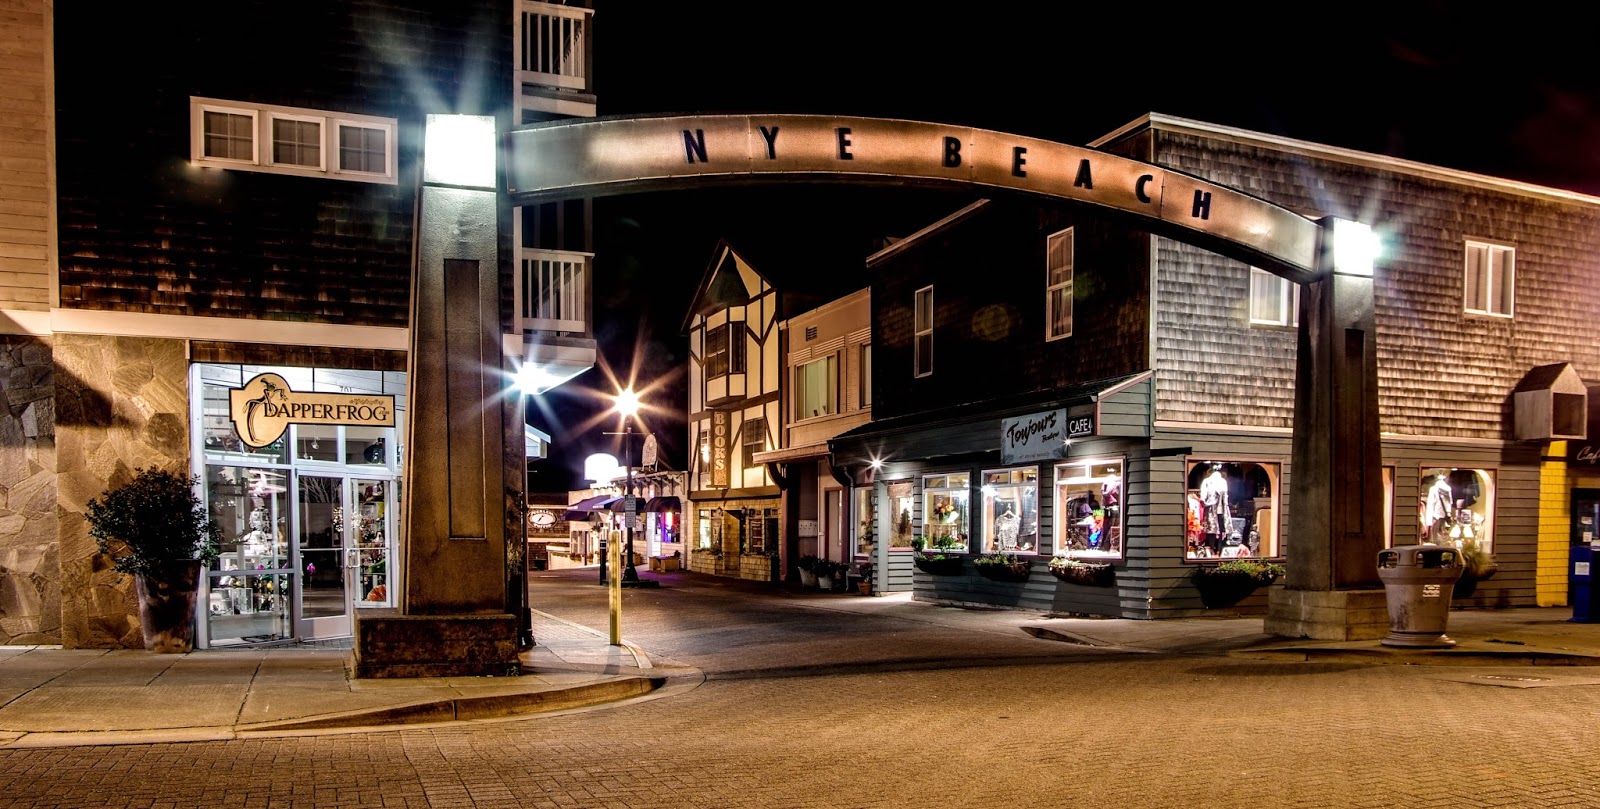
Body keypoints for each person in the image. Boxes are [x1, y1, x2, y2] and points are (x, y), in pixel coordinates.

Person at [1423, 470, 1453, 544]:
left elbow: (1430, 504)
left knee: (1435, 535)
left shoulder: (1433, 489)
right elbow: (1450, 502)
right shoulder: (1448, 489)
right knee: (1443, 533)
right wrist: (1448, 513)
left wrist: (1428, 521)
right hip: (1445, 515)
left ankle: (1436, 544)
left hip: (1436, 515)